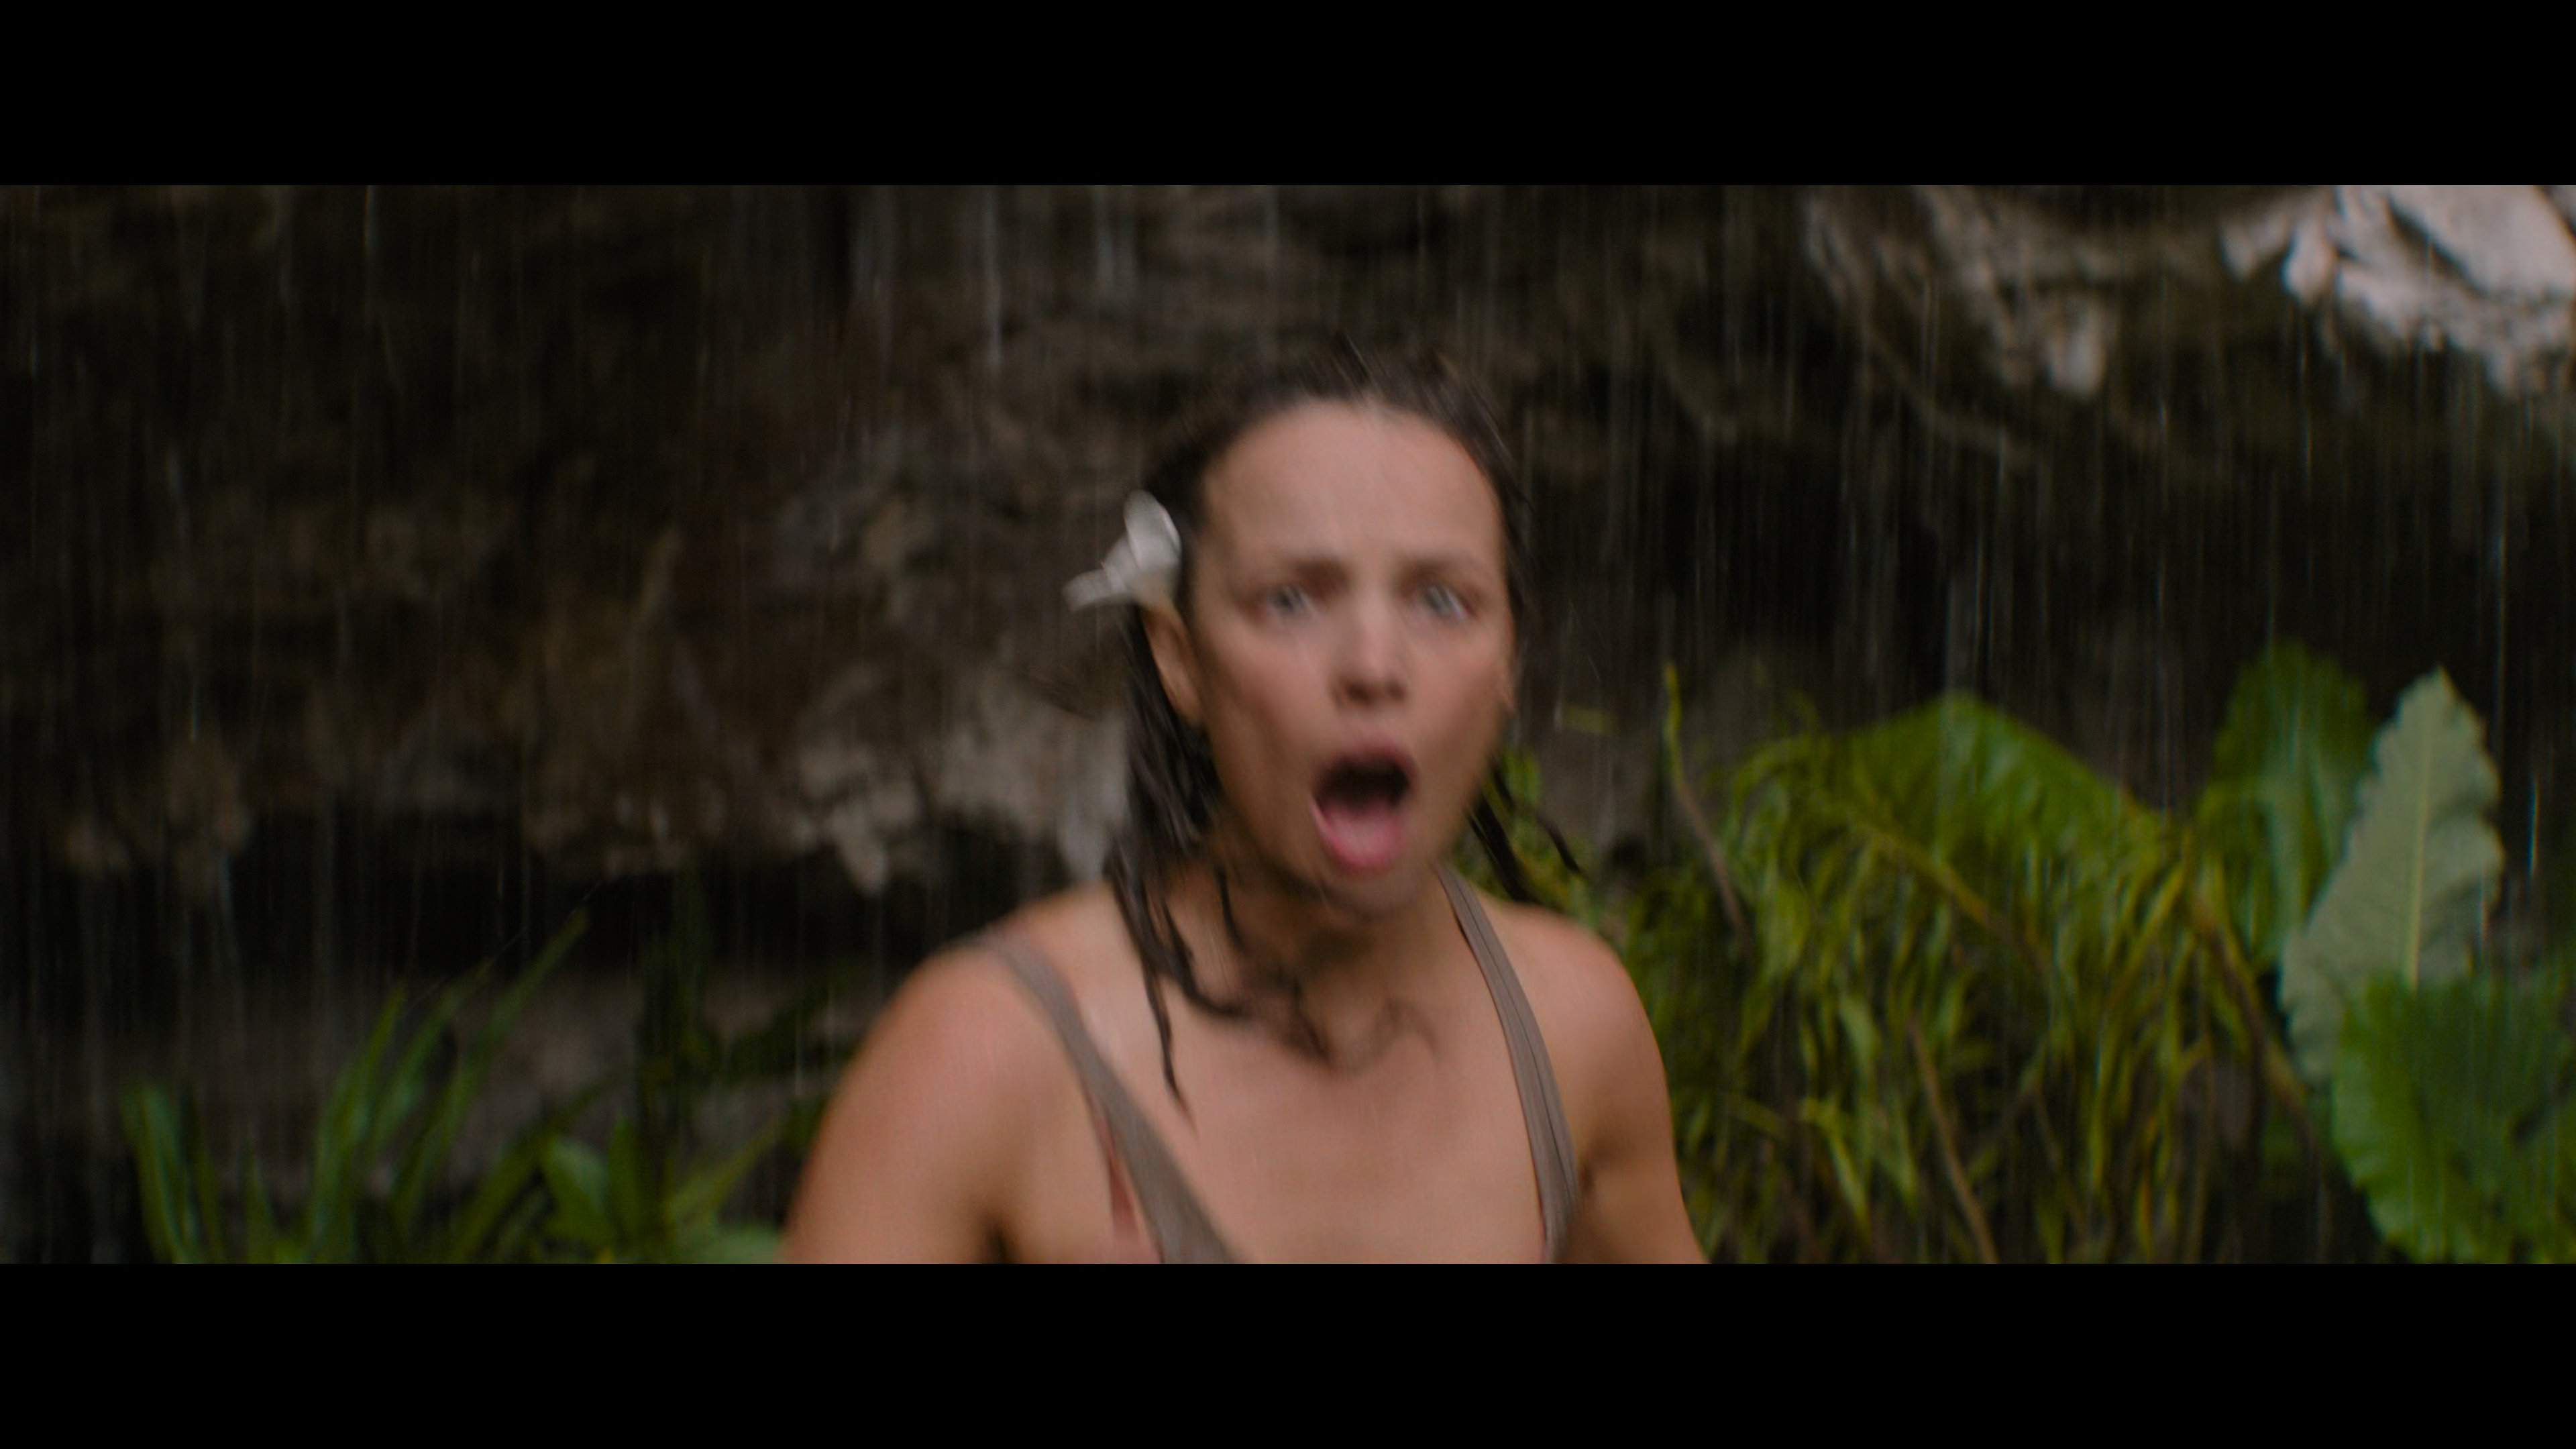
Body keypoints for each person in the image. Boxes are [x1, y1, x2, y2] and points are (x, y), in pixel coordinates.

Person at [782, 344, 1702, 1262]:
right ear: (1180, 657)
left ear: (1510, 663)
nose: (1374, 666)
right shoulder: (980, 1062)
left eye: (1442, 602)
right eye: (1291, 600)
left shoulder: (1574, 1033)